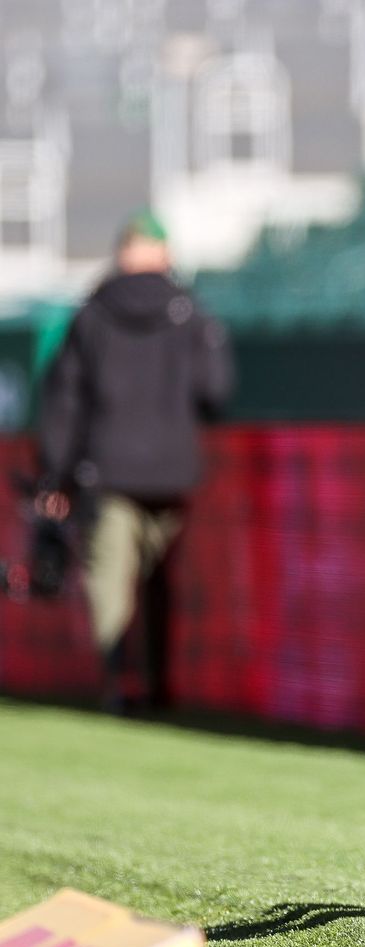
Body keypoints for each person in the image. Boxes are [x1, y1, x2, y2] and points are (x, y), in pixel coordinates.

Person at [35, 210, 235, 713]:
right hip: (173, 471)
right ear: (164, 254)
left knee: (109, 577)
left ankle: (119, 684)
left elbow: (64, 402)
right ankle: (158, 683)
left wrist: (55, 474)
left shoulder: (90, 316)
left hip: (106, 469)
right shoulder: (192, 313)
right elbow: (215, 391)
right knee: (158, 578)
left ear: (123, 254)